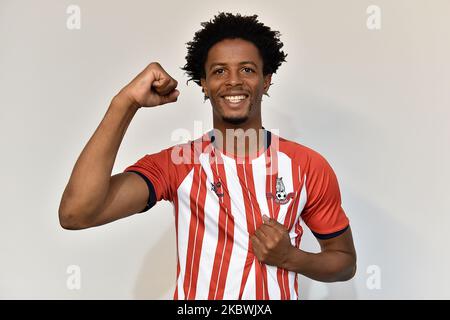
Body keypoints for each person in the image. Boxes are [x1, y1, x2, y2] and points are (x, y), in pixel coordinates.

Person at [59, 12, 356, 300]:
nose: (233, 81)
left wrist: (291, 257)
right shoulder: (179, 164)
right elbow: (76, 214)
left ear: (266, 80)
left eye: (247, 69)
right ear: (203, 83)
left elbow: (344, 262)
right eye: (219, 71)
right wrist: (125, 103)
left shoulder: (307, 166)